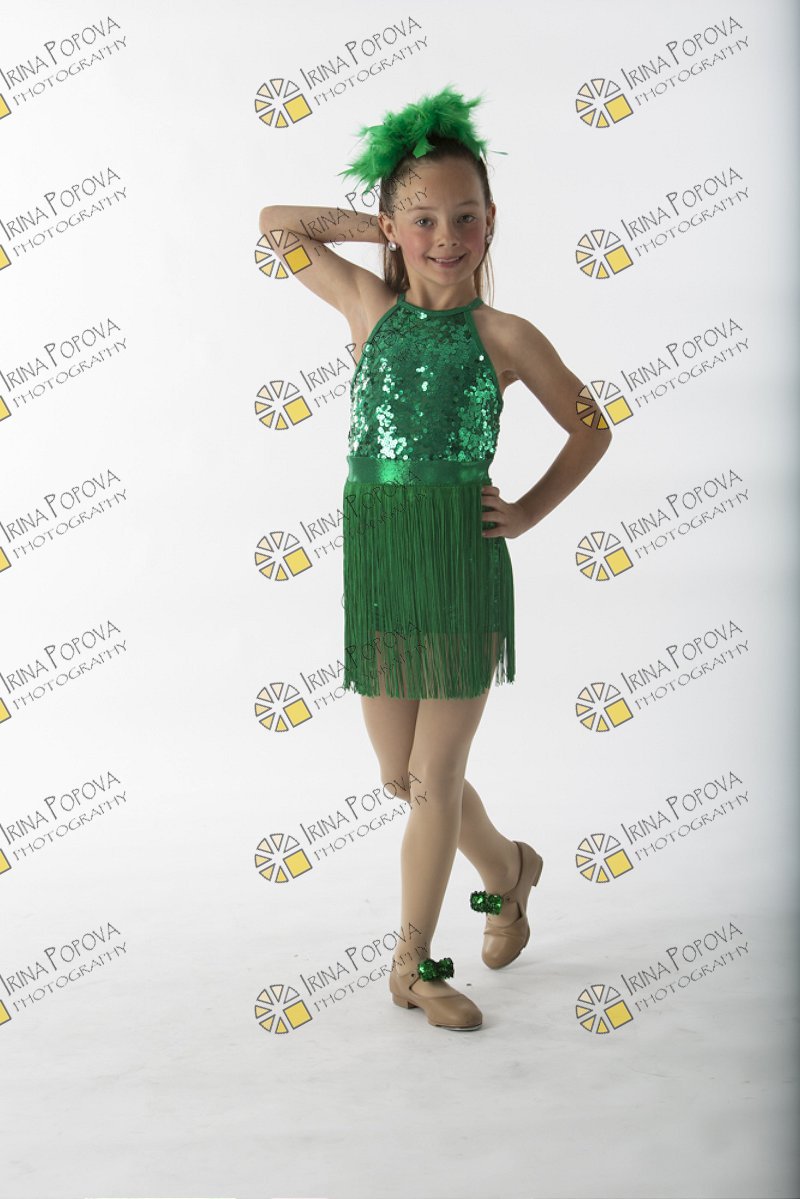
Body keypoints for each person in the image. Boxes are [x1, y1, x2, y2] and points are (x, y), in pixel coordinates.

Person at [258, 84, 612, 1032]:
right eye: (423, 219)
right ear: (394, 228)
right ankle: (508, 867)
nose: (446, 236)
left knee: (435, 775)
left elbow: (592, 426)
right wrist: (375, 219)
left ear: (492, 220)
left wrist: (527, 511)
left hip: (459, 566)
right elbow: (274, 225)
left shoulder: (505, 336)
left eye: (465, 216)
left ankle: (411, 964)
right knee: (399, 776)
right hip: (380, 565)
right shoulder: (367, 305)